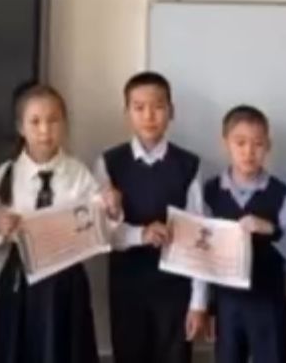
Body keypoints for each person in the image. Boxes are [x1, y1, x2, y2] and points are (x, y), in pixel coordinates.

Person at [0, 83, 122, 363]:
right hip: (20, 279)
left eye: (53, 120)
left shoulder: (78, 173)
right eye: (35, 121)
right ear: (20, 127)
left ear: (64, 124)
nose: (45, 130)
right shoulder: (7, 173)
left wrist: (112, 209)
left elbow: (102, 230)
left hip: (66, 280)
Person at [95, 71, 208, 363]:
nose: (149, 116)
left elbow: (199, 237)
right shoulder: (109, 163)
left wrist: (199, 301)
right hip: (127, 286)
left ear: (171, 111)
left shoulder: (189, 165)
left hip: (175, 288)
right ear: (127, 113)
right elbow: (101, 233)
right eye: (139, 107)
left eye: (158, 106)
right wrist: (141, 235)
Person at [203, 105, 286, 363]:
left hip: (269, 301)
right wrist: (207, 305)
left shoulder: (280, 194)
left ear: (268, 145)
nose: (249, 152)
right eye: (240, 143)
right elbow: (200, 255)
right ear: (225, 143)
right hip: (226, 303)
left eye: (257, 144)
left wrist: (272, 230)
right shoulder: (209, 192)